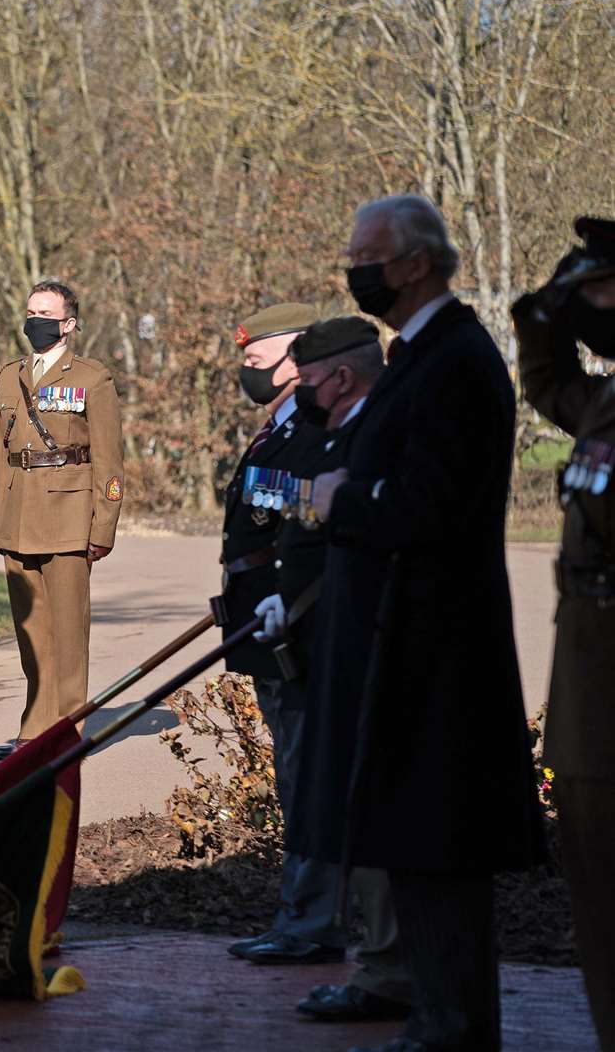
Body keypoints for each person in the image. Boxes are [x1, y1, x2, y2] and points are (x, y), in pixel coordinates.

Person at [304, 195, 542, 1052]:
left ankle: (453, 1027)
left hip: (434, 650)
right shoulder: (427, 353)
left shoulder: (455, 361)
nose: (353, 266)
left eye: (364, 253)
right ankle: (441, 1018)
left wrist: (344, 498)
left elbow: (430, 507)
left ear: (413, 264)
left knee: (439, 851)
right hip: (403, 642)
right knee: (416, 845)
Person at [248, 318, 416, 1022]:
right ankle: (378, 961)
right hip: (319, 627)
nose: (298, 389)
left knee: (359, 802)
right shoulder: (322, 430)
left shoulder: (369, 433)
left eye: (308, 379)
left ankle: (381, 963)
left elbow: (354, 530)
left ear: (338, 378)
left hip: (352, 639)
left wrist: (299, 600)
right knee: (328, 790)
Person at [213, 302, 340, 966]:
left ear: (297, 358)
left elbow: (301, 527)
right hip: (264, 622)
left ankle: (311, 920)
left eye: (257, 361)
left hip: (299, 627)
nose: (248, 372)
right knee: (294, 774)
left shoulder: (315, 432)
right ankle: (303, 913)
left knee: (305, 774)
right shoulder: (278, 428)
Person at [515, 215, 615, 1049]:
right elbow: (549, 383)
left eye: (600, 290)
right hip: (591, 690)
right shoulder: (608, 399)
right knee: (595, 887)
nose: (587, 305)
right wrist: (543, 310)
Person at [0, 281, 124, 759]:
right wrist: (2, 516)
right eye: (30, 311)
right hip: (20, 513)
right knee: (30, 632)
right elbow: (3, 455)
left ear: (68, 323)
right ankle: (35, 728)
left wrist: (102, 526)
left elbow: (110, 460)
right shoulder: (9, 376)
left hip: (69, 514)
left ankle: (67, 729)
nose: (34, 321)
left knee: (68, 632)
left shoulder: (92, 377)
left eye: (44, 313)